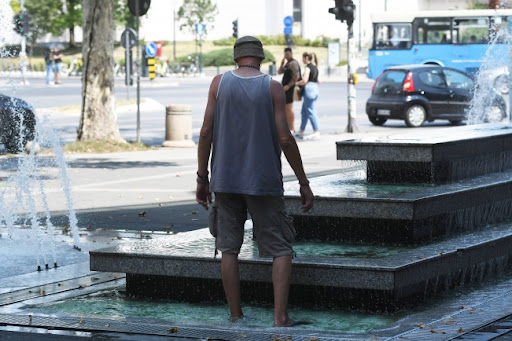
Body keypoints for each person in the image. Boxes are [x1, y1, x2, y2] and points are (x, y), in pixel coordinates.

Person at [196, 36, 314, 327]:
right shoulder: (272, 87)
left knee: (229, 248)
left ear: (236, 58)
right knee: (280, 248)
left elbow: (205, 132)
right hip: (263, 181)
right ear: (260, 58)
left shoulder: (218, 84)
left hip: (224, 180)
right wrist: (303, 181)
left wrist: (202, 177)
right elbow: (285, 137)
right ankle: (280, 317)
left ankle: (236, 316)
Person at [295, 52, 320, 140]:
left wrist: (297, 83)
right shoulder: (315, 68)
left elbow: (304, 80)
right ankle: (301, 131)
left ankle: (316, 131)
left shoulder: (308, 68)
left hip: (309, 90)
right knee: (304, 111)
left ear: (306, 58)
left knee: (310, 110)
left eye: (302, 58)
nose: (302, 60)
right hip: (315, 89)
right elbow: (319, 81)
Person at [277, 47, 301, 133]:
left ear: (291, 54)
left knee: (289, 108)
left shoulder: (293, 63)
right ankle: (289, 128)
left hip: (289, 89)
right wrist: (281, 63)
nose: (286, 56)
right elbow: (279, 72)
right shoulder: (288, 63)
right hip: (285, 88)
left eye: (288, 54)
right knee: (286, 108)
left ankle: (292, 128)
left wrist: (288, 85)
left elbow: (297, 76)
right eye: (285, 54)